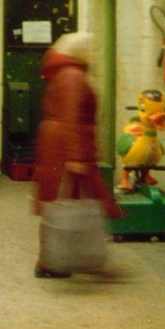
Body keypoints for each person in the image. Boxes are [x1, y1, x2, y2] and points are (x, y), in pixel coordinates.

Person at [32, 32, 121, 278]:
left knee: (60, 203)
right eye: (89, 49)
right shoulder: (74, 76)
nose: (93, 54)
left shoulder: (64, 73)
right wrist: (76, 156)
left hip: (57, 145)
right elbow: (72, 117)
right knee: (68, 202)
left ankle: (57, 259)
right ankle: (55, 261)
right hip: (67, 148)